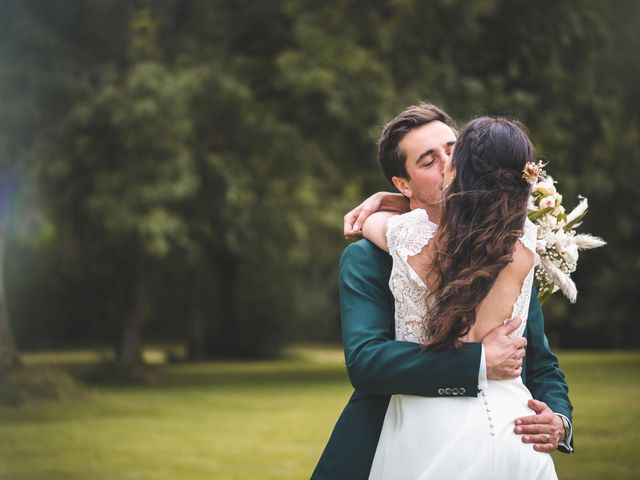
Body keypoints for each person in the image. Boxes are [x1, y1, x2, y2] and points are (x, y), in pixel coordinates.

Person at [310, 104, 572, 480]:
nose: (449, 165)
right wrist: (479, 361)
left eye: (453, 149)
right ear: (403, 183)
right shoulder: (366, 258)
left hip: (510, 436)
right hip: (405, 441)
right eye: (429, 161)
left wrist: (559, 420)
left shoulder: (508, 245)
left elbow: (540, 361)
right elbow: (367, 362)